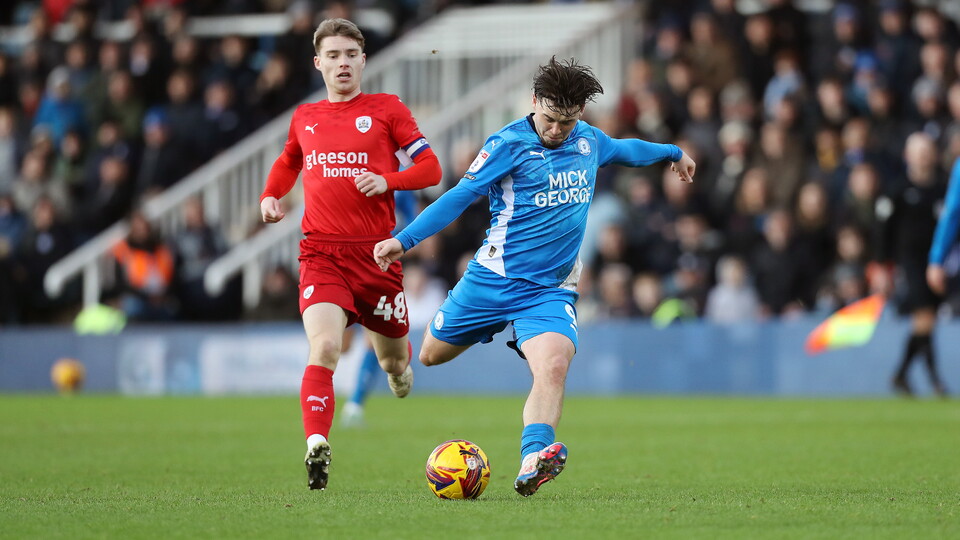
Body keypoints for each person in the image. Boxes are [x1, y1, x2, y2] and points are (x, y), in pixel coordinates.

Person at [374, 57, 696, 497]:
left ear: (580, 113)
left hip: (549, 291)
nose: (557, 130)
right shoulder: (507, 144)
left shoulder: (588, 141)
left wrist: (673, 153)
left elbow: (627, 150)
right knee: (429, 355)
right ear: (533, 102)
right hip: (491, 280)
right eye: (549, 119)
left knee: (554, 366)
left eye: (567, 122)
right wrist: (404, 240)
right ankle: (402, 361)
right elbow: (459, 196)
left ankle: (532, 460)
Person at [258, 18, 442, 491]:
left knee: (393, 363)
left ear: (363, 61)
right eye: (333, 55)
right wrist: (271, 195)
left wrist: (389, 180)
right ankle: (316, 443)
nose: (342, 63)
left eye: (350, 55)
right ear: (318, 63)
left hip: (377, 257)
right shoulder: (305, 116)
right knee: (324, 347)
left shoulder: (386, 109)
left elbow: (431, 169)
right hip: (321, 254)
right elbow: (289, 161)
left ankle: (397, 374)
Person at [876, 133, 948, 397]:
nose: (924, 157)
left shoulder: (942, 189)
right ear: (908, 156)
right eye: (919, 152)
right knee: (924, 317)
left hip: (938, 262)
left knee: (926, 322)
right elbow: (882, 230)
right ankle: (931, 379)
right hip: (909, 263)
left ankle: (904, 375)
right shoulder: (897, 190)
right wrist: (881, 266)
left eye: (927, 152)